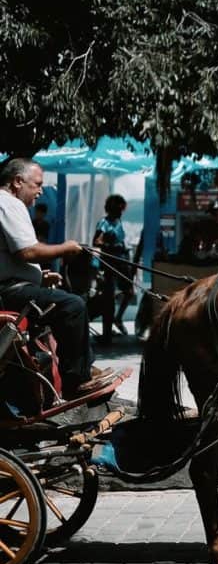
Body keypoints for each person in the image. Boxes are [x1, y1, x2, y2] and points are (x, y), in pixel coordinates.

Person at [0, 158, 100, 397]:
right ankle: (77, 382)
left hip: (14, 286)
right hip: (9, 291)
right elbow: (28, 251)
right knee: (73, 306)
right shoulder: (8, 203)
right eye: (37, 184)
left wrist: (38, 276)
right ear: (17, 181)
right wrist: (66, 248)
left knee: (65, 304)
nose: (41, 191)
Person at [92, 194, 132, 343]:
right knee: (108, 301)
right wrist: (110, 246)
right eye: (119, 209)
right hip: (110, 263)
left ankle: (118, 318)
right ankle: (106, 334)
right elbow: (96, 242)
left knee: (129, 292)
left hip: (123, 262)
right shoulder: (104, 222)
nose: (121, 212)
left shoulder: (119, 221)